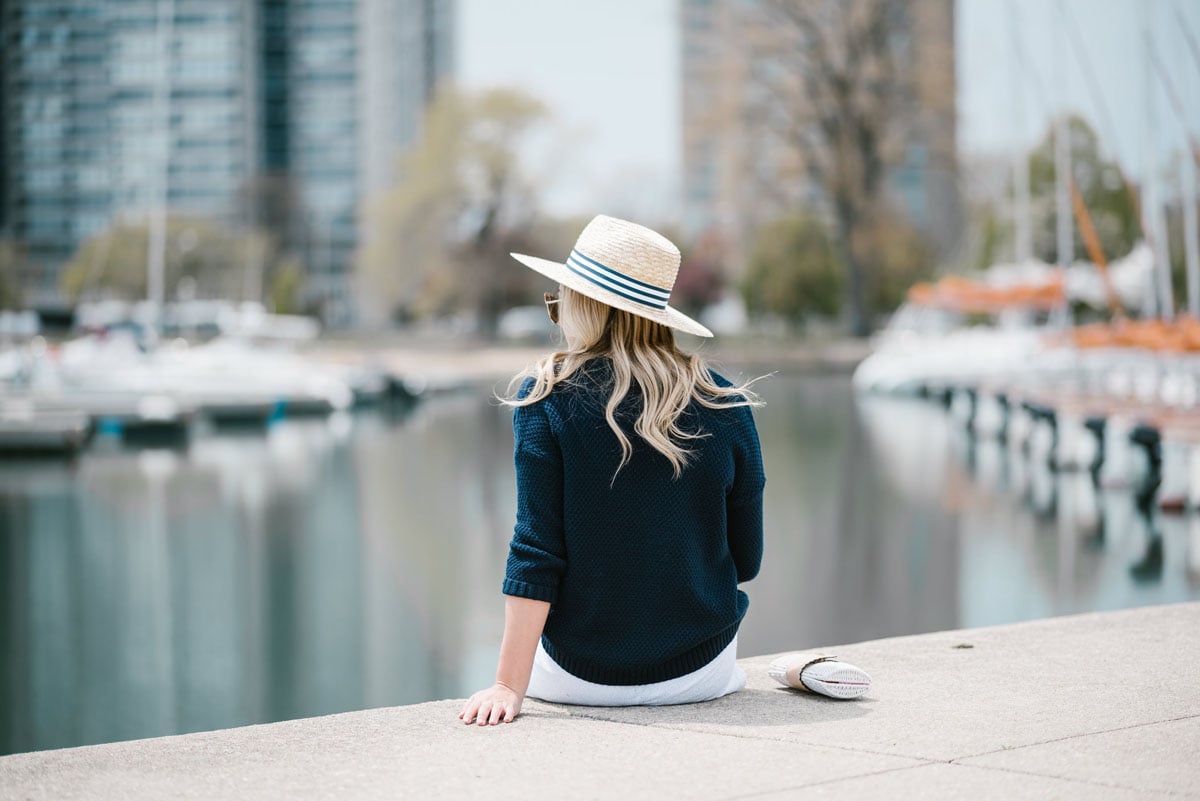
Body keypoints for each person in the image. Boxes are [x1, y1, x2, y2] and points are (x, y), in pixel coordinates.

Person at [459, 215, 765, 726]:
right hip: (699, 674)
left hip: (579, 679)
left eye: (560, 304)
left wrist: (507, 686)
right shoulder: (725, 401)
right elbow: (747, 560)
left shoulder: (546, 397)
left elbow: (536, 552)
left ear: (585, 308)